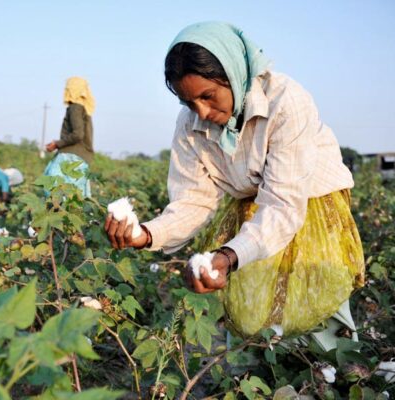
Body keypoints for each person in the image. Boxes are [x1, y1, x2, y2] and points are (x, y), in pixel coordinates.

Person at [105, 22, 364, 350]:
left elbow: (284, 204)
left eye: (208, 96)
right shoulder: (191, 124)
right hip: (254, 203)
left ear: (232, 75)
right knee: (252, 305)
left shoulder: (286, 101)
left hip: (308, 199)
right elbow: (192, 200)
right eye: (189, 102)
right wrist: (143, 234)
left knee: (317, 298)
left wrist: (228, 256)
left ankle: (336, 377)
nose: (201, 111)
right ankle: (256, 381)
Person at [44, 77, 95, 197]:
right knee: (77, 195)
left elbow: (78, 134)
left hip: (71, 156)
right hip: (83, 157)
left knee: (51, 186)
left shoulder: (75, 108)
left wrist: (57, 144)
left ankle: (56, 213)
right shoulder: (85, 110)